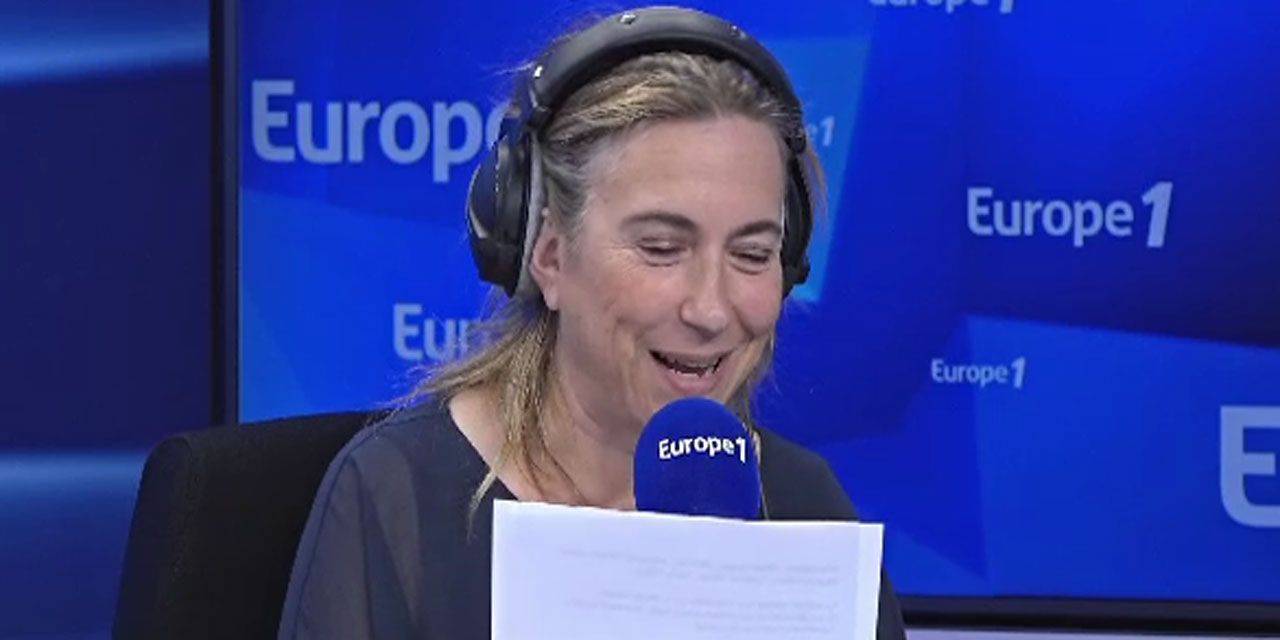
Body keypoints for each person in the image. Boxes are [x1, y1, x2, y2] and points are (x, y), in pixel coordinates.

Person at [278, 7, 907, 639]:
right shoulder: (399, 500)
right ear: (548, 254)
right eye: (662, 248)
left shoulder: (805, 506)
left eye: (751, 254)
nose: (711, 310)